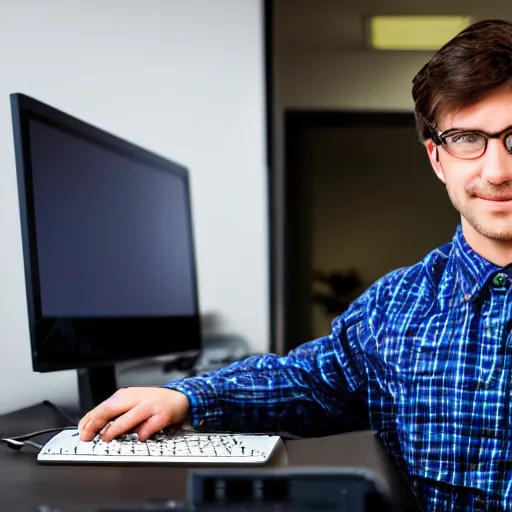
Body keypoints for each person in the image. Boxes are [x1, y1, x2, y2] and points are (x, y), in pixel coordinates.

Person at [79, 18, 512, 510]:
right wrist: (187, 397)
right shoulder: (395, 306)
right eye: (467, 139)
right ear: (438, 158)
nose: (497, 171)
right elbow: (306, 381)